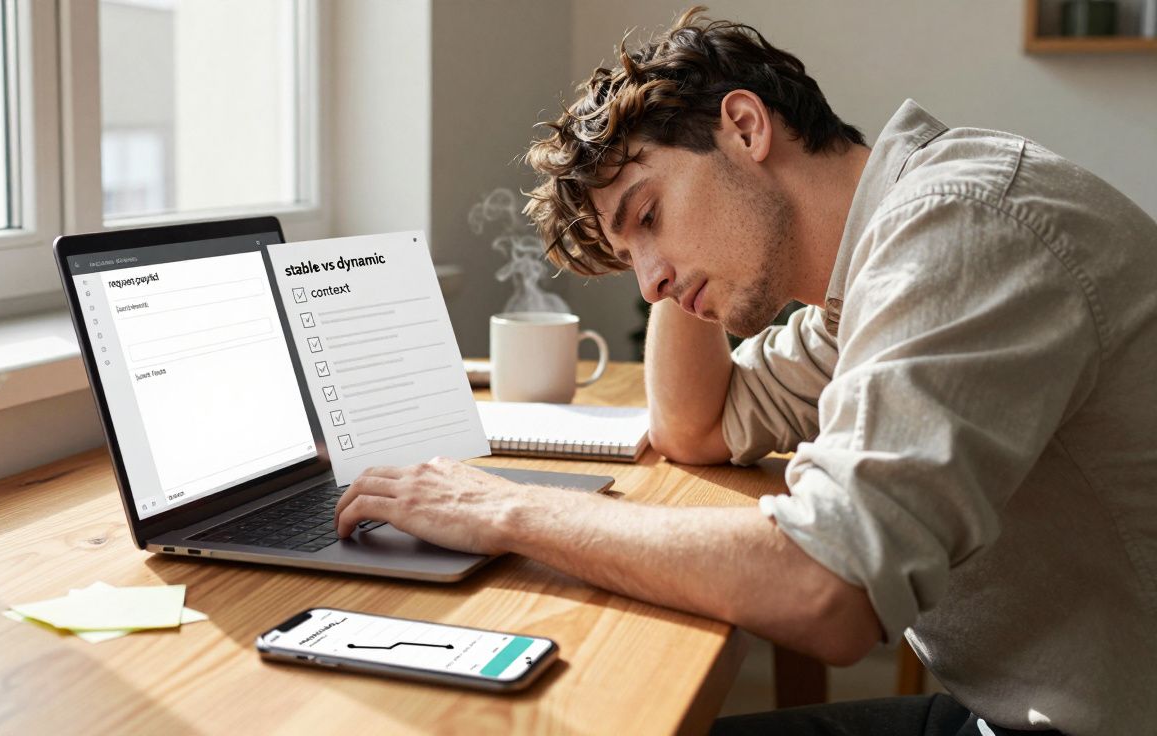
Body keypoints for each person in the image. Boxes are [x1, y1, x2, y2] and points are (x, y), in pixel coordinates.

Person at [334, 7, 1157, 734]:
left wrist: (506, 510)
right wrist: (675, 260)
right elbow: (696, 426)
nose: (648, 281)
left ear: (745, 128)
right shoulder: (865, 281)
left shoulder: (958, 232)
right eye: (631, 256)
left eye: (650, 214)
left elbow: (826, 589)